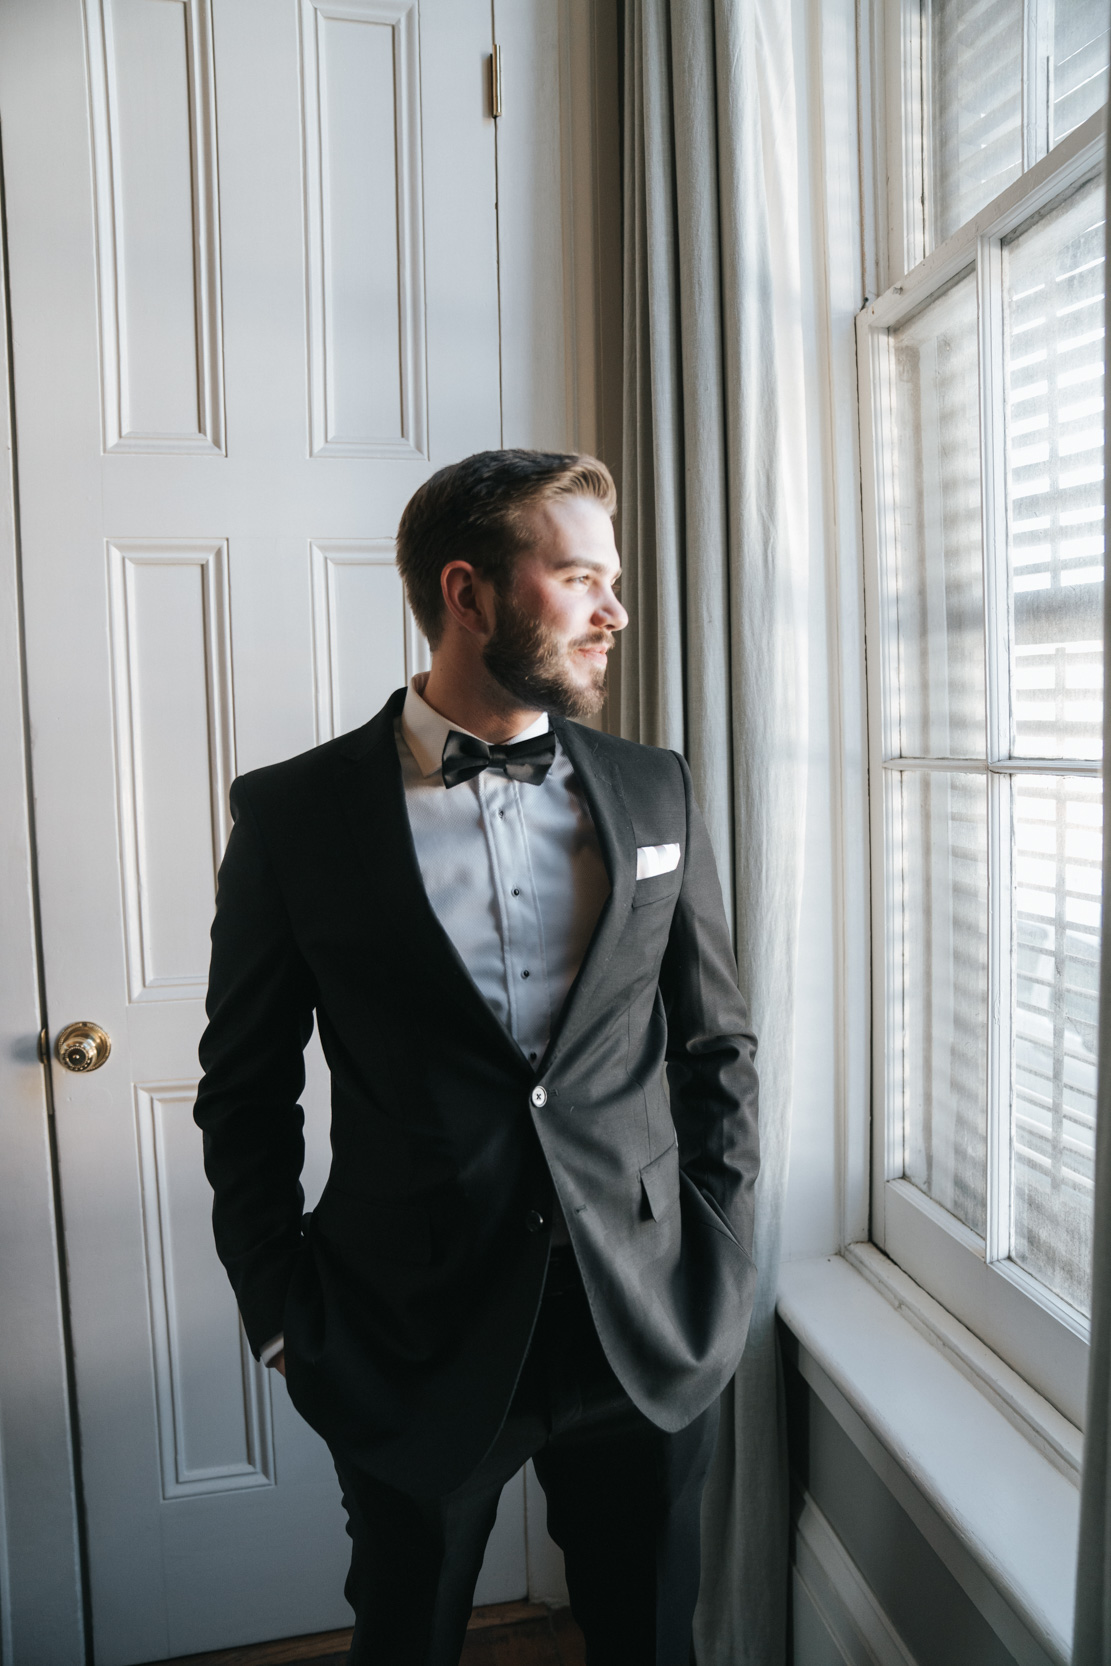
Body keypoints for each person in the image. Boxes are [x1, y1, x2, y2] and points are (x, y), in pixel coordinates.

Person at [194, 449, 759, 1666]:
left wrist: (714, 1242)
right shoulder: (294, 817)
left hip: (645, 1320)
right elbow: (244, 1089)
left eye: (611, 581)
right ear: (470, 593)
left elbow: (714, 1040)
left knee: (654, 1637)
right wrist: (280, 1315)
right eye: (579, 579)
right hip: (407, 1331)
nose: (615, 611)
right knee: (406, 1634)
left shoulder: (653, 790)